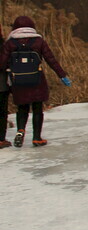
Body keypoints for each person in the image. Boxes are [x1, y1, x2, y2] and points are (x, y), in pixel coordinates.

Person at [0, 16, 71, 147]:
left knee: (22, 107)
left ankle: (20, 130)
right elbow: (51, 59)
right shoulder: (38, 41)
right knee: (37, 108)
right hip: (37, 80)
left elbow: (2, 63)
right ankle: (37, 138)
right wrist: (62, 75)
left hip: (18, 81)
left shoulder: (9, 43)